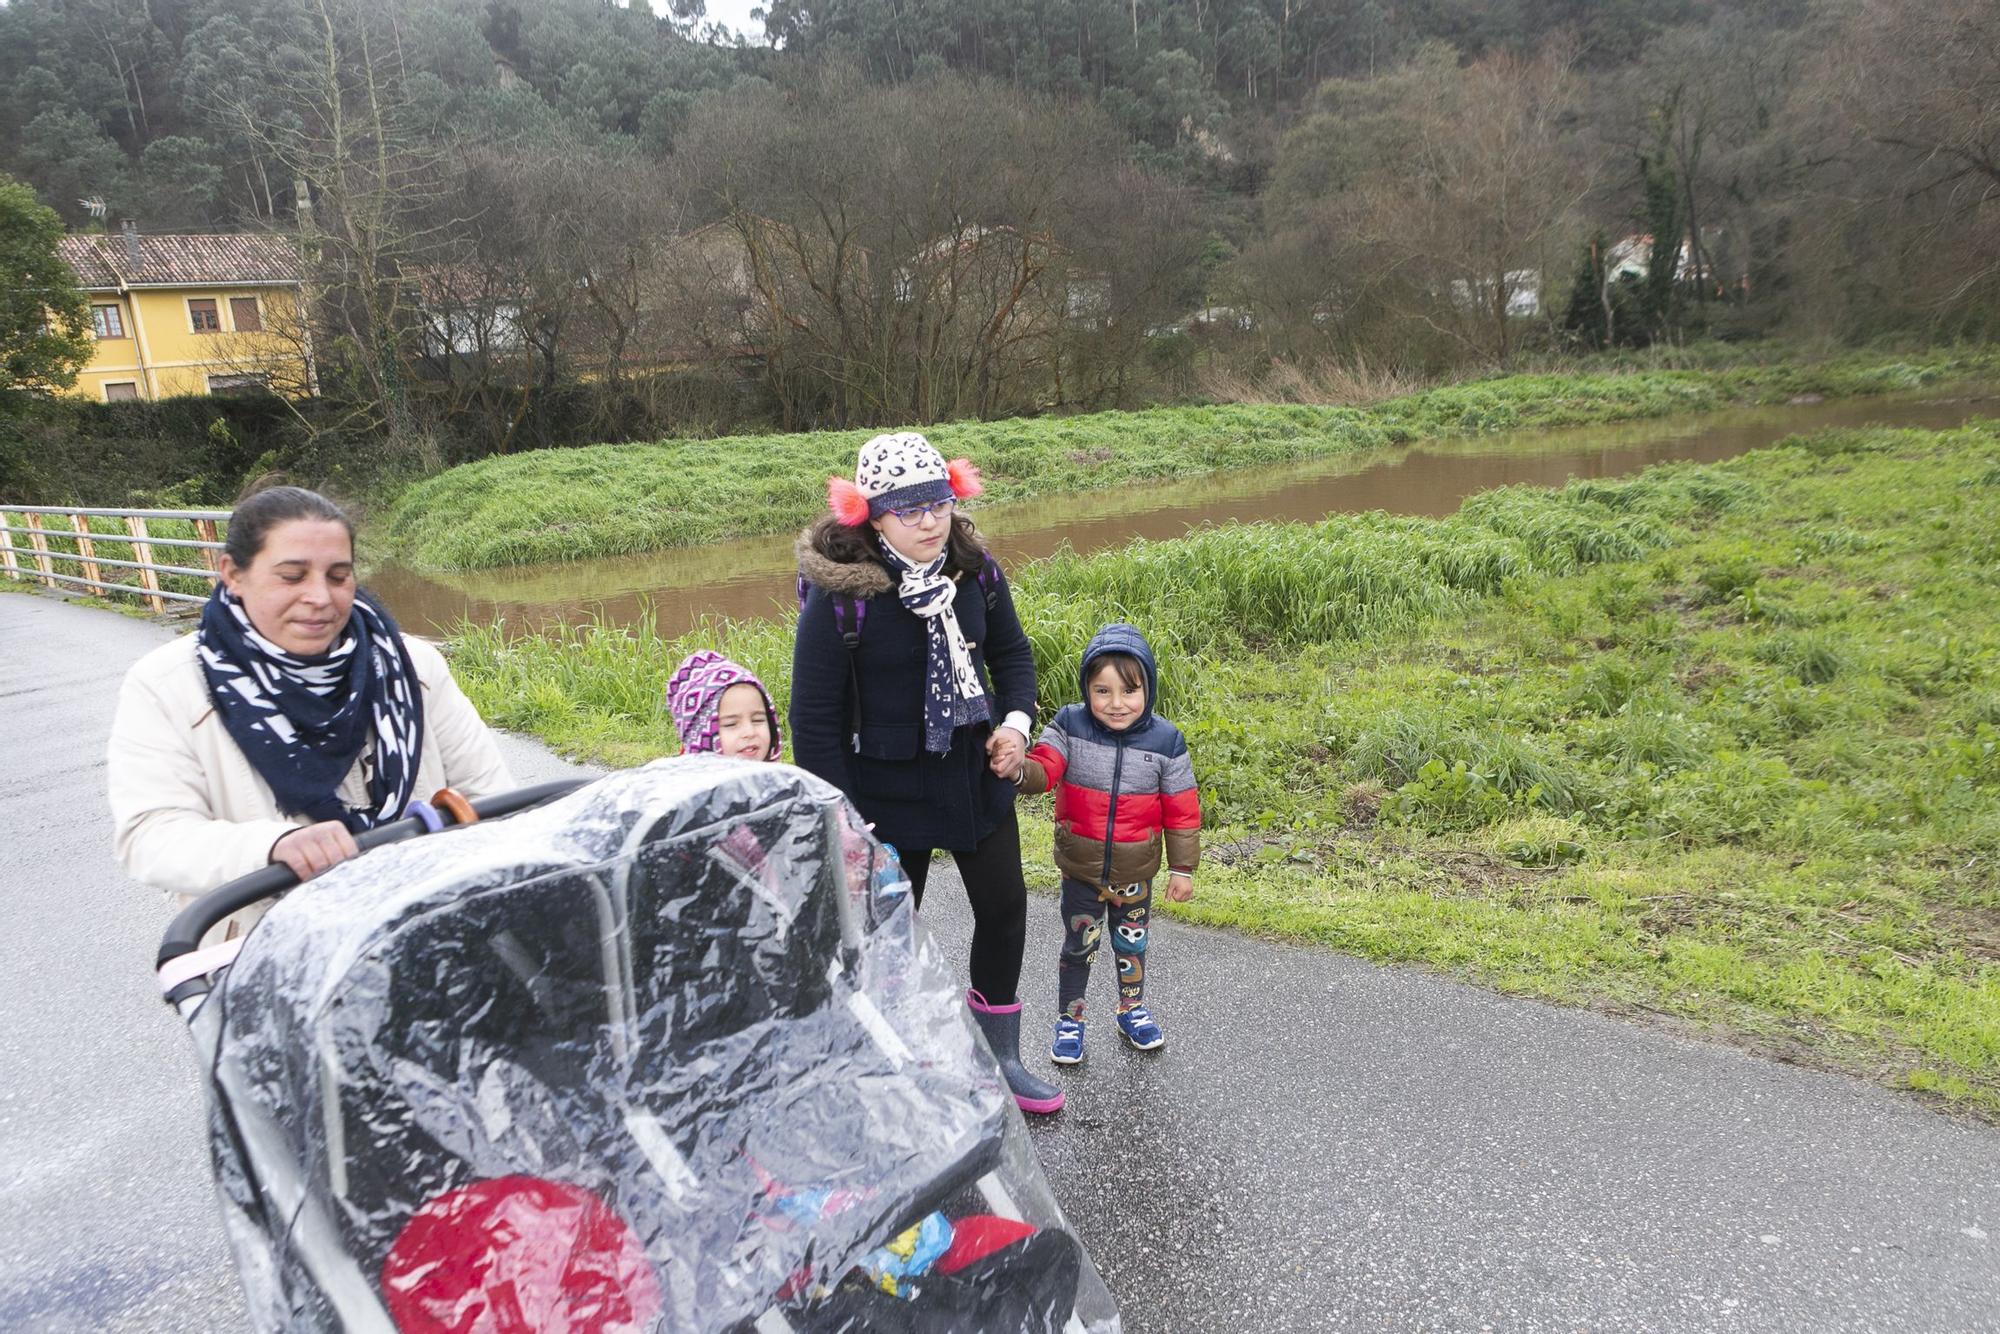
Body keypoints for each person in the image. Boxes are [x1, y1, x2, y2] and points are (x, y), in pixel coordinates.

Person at [789, 432, 1062, 1115]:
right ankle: (896, 1064)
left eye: (936, 501)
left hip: (973, 775)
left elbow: (1015, 659)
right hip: (881, 790)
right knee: (888, 936)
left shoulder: (975, 569)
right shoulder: (841, 598)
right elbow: (813, 723)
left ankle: (999, 1059)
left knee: (1003, 912)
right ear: (871, 516)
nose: (927, 520)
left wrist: (1016, 729)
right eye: (906, 508)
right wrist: (846, 826)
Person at [108, 485, 516, 936]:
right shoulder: (167, 686)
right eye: (292, 576)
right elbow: (150, 837)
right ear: (232, 574)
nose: (320, 597)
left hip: (429, 925)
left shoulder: (411, 665)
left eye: (338, 576)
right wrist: (273, 845)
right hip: (272, 951)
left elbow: (489, 794)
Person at [1010, 624, 1200, 1064]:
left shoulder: (1166, 741)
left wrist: (1183, 868)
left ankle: (1130, 1009)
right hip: (1082, 871)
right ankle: (1070, 1019)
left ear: (1148, 690)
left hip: (1136, 874)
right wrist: (1020, 769)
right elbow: (1044, 769)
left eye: (1129, 692)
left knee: (1131, 944)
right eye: (1102, 691)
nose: (1116, 704)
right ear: (1086, 688)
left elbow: (1182, 810)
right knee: (1079, 948)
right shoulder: (1069, 725)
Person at [665, 650, 781, 761]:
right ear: (701, 738)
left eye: (757, 720)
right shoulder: (692, 781)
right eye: (731, 724)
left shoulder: (784, 779)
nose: (750, 732)